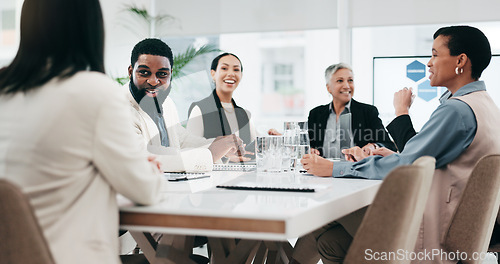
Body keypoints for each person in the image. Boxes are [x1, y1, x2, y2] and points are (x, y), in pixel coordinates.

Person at [300, 25, 500, 264]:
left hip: (432, 232)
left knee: (323, 216)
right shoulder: (483, 104)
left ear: (461, 60)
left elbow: (407, 166)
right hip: (454, 224)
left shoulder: (456, 110)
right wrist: (388, 157)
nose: (429, 63)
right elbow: (424, 158)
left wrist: (333, 169)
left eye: (435, 54)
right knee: (330, 241)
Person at [0, 0, 164, 263]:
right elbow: (145, 191)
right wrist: (150, 169)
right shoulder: (95, 91)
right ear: (91, 27)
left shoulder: (4, 90)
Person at [126, 39, 244, 171]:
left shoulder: (166, 102)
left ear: (170, 73)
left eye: (162, 74)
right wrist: (210, 154)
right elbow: (141, 159)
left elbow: (181, 139)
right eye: (144, 72)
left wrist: (219, 145)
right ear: (131, 72)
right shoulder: (117, 109)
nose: (153, 81)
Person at [307, 63, 396, 159]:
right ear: (328, 88)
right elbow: (308, 145)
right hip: (322, 171)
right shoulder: (316, 114)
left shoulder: (368, 112)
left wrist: (373, 146)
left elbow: (388, 145)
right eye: (340, 81)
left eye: (350, 80)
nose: (346, 86)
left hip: (356, 171)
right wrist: (311, 150)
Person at [186, 52, 256, 162]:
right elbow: (190, 151)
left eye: (236, 70)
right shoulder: (200, 109)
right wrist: (225, 158)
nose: (231, 74)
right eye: (224, 68)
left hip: (244, 178)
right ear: (213, 74)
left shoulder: (244, 115)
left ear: (241, 76)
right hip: (212, 178)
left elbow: (254, 148)